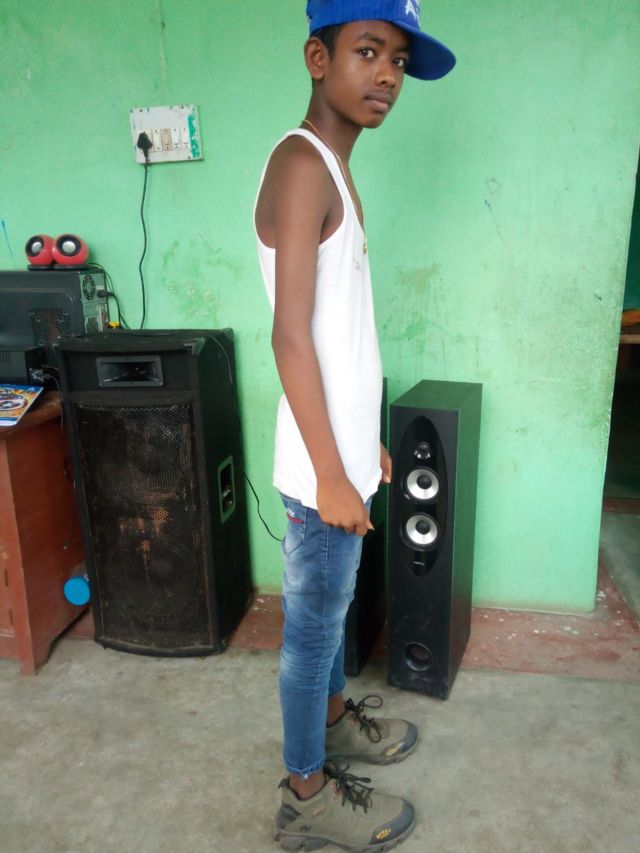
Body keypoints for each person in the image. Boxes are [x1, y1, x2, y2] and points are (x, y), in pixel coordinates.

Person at [254, 2, 455, 849]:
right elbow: (291, 335)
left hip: (338, 452)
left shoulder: (332, 166)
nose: (386, 75)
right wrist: (332, 474)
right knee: (311, 632)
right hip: (320, 470)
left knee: (331, 614)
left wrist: (360, 442)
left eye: (399, 61)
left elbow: (339, 336)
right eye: (367, 51)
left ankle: (334, 722)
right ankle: (305, 790)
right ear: (317, 56)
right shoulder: (303, 164)